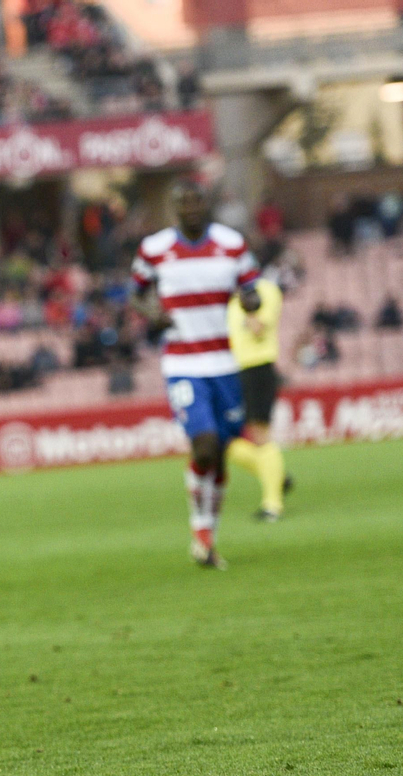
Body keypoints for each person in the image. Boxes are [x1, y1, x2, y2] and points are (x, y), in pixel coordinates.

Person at [131, 181, 259, 569]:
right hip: (183, 363)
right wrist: (154, 313)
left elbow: (251, 288)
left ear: (207, 204)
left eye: (196, 200)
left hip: (224, 362)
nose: (190, 207)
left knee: (219, 456)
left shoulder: (232, 244)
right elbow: (137, 293)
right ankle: (199, 529)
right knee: (202, 445)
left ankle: (208, 537)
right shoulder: (154, 249)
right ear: (172, 208)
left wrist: (250, 300)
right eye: (182, 202)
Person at [225, 278, 294, 522]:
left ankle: (272, 506)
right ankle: (276, 474)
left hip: (258, 367)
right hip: (234, 372)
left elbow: (258, 329)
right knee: (225, 440)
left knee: (259, 432)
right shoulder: (228, 296)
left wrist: (248, 305)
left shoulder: (265, 290)